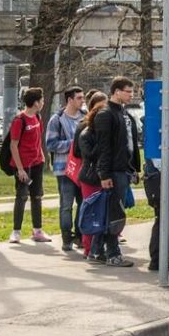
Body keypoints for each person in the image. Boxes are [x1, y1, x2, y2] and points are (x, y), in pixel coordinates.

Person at [93, 77, 140, 267]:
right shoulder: (106, 114)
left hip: (124, 169)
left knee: (114, 211)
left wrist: (135, 168)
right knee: (115, 213)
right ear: (117, 91)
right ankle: (113, 253)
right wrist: (104, 175)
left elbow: (131, 145)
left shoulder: (125, 115)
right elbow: (103, 148)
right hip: (113, 171)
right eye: (128, 91)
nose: (131, 95)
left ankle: (97, 251)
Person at [8, 87, 51, 244]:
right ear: (35, 103)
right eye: (42, 100)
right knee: (21, 196)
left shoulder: (38, 117)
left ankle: (37, 231)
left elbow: (38, 139)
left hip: (37, 163)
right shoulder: (20, 120)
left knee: (37, 196)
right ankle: (16, 232)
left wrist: (41, 156)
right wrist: (19, 169)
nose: (43, 102)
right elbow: (13, 146)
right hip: (23, 165)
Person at [45, 86, 85, 251]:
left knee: (83, 203)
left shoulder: (85, 117)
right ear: (69, 100)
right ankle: (66, 237)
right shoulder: (57, 119)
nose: (82, 101)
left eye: (83, 98)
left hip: (83, 168)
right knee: (66, 205)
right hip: (64, 170)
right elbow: (51, 144)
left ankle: (80, 235)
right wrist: (74, 144)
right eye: (79, 98)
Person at [73, 92, 108, 258]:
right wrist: (103, 142)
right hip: (90, 176)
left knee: (104, 213)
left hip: (103, 176)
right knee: (90, 212)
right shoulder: (85, 133)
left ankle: (98, 247)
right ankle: (88, 248)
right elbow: (88, 154)